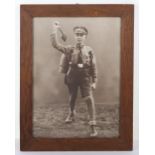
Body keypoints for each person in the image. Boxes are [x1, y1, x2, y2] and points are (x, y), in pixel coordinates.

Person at [50, 21, 98, 137]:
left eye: (82, 35)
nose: (79, 37)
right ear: (74, 36)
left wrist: (95, 81)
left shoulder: (89, 50)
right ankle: (71, 113)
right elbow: (56, 45)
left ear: (85, 37)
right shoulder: (69, 49)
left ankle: (92, 125)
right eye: (77, 35)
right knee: (72, 97)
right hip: (72, 76)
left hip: (85, 77)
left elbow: (93, 66)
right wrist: (54, 30)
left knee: (89, 99)